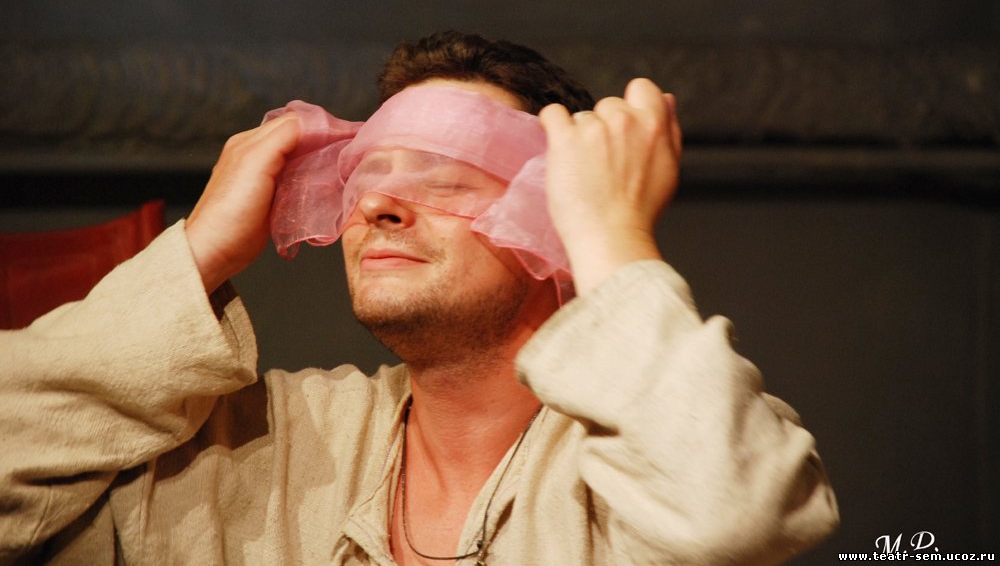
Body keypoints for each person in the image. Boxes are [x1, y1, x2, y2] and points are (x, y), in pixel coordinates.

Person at [0, 31, 839, 565]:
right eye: (366, 176)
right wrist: (199, 249)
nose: (375, 205)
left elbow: (735, 514)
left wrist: (613, 238)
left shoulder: (637, 464)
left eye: (445, 177)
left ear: (554, 216)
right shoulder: (240, 453)